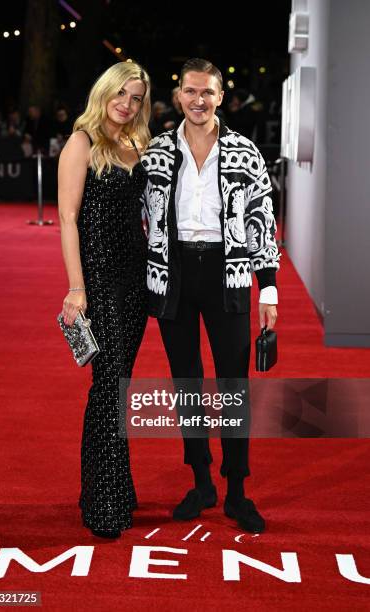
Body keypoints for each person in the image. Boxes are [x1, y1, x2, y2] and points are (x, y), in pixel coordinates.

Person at [141, 58, 280, 533]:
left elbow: (263, 221)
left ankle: (237, 489)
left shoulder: (245, 152)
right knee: (186, 382)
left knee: (233, 385)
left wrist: (271, 289)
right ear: (178, 95)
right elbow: (139, 218)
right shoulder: (156, 152)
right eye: (190, 91)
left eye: (207, 92)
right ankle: (201, 481)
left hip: (229, 273)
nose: (198, 100)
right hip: (174, 273)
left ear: (221, 96)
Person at [58, 61, 151, 539]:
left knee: (119, 383)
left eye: (136, 98)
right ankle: (104, 501)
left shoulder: (139, 142)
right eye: (121, 94)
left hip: (137, 278)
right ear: (105, 92)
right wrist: (78, 287)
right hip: (100, 278)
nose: (127, 104)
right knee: (108, 384)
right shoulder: (83, 141)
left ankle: (116, 487)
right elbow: (69, 218)